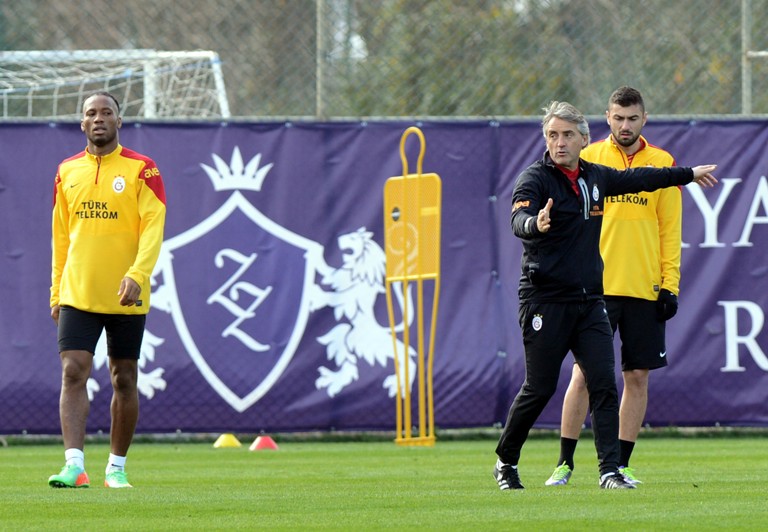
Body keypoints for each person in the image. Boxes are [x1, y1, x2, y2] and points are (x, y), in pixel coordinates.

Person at [493, 100, 716, 490]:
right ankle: (506, 461)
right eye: (552, 135)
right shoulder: (534, 179)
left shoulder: (596, 177)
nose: (558, 143)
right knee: (540, 387)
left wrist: (688, 175)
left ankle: (610, 470)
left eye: (566, 135)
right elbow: (518, 220)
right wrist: (535, 222)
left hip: (590, 301)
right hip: (545, 299)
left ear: (583, 138)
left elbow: (644, 179)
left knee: (604, 382)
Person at [545, 87, 678, 488]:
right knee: (584, 376)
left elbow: (669, 230)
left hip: (643, 287)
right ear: (607, 118)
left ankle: (620, 465)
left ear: (644, 119)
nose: (625, 126)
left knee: (637, 376)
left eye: (632, 118)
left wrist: (669, 284)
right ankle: (564, 464)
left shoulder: (662, 164)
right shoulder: (589, 160)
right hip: (595, 288)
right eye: (618, 118)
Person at [48, 91, 167, 489]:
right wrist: (55, 292)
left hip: (126, 294)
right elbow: (60, 238)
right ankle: (74, 466)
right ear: (82, 124)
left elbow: (153, 227)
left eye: (106, 113)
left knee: (124, 379)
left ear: (120, 121)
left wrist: (138, 274)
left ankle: (115, 468)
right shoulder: (66, 171)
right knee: (72, 371)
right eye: (90, 114)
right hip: (78, 291)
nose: (98, 118)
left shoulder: (142, 169)